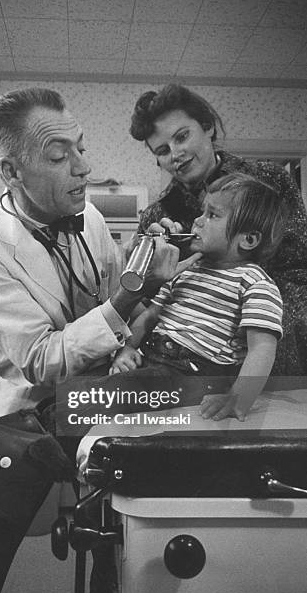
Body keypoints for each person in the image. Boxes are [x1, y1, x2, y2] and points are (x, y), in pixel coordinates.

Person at [0, 87, 198, 593]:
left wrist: (153, 278)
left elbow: (117, 302)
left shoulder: (88, 216)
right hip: (14, 419)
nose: (83, 168)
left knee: (115, 533)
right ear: (11, 171)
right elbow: (44, 358)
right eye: (58, 156)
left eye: (81, 147)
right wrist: (131, 294)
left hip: (81, 403)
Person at [130, 82, 307, 376]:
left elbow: (299, 271)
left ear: (208, 127)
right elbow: (149, 305)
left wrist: (256, 334)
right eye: (163, 150)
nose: (175, 153)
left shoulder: (270, 182)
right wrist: (146, 271)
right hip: (176, 370)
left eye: (182, 136)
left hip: (275, 361)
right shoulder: (156, 216)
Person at [110, 173, 284, 421]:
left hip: (196, 375)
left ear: (248, 239)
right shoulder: (187, 269)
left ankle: (48, 427)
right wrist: (127, 349)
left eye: (212, 215)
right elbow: (149, 317)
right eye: (202, 212)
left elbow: (262, 349)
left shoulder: (255, 283)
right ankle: (47, 420)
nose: (197, 221)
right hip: (154, 363)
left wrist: (238, 398)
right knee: (92, 381)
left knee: (108, 396)